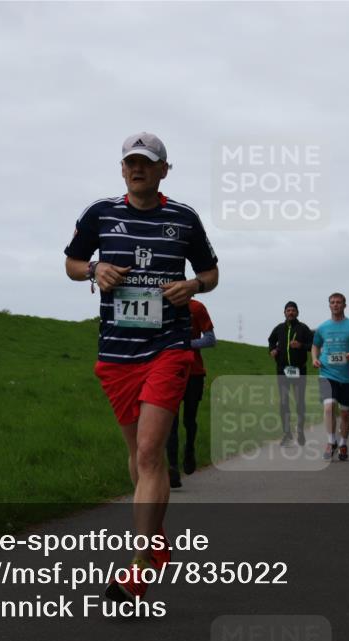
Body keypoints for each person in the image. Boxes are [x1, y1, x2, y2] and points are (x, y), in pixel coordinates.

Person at [64, 131, 219, 602]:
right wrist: (95, 271)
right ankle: (155, 537)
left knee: (151, 452)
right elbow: (71, 262)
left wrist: (191, 286)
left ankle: (138, 563)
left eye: (147, 163)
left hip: (168, 348)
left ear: (163, 170)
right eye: (131, 162)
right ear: (123, 169)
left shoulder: (183, 218)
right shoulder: (100, 213)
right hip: (115, 354)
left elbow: (211, 274)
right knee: (137, 454)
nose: (138, 169)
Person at [312, 293, 349, 461]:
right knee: (328, 408)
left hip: (347, 377)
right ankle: (330, 442)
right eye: (332, 302)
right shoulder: (322, 327)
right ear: (329, 305)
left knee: (344, 414)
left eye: (338, 302)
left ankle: (343, 443)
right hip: (327, 373)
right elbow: (315, 345)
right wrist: (314, 358)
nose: (335, 305)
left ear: (344, 305)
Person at [166, 298, 215, 488]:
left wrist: (186, 344)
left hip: (194, 372)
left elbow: (210, 339)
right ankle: (172, 468)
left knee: (188, 420)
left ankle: (189, 450)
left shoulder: (197, 307)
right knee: (171, 422)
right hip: (168, 373)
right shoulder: (160, 305)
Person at [268, 301, 312, 446]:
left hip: (299, 370)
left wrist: (301, 345)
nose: (290, 312)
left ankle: (300, 432)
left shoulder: (303, 329)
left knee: (299, 403)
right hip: (282, 370)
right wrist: (272, 350)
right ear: (284, 313)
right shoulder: (279, 328)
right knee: (284, 403)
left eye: (293, 310)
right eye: (288, 310)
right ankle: (287, 434)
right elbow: (271, 340)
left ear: (297, 312)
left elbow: (312, 346)